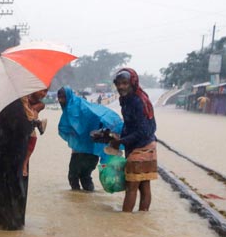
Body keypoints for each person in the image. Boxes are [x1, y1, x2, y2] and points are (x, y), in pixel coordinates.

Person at [0, 96, 37, 230]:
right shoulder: (15, 106)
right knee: (12, 194)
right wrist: (33, 119)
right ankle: (11, 226)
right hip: (11, 158)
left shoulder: (1, 105)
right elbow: (21, 129)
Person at [109, 68, 158, 212]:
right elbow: (130, 124)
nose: (121, 87)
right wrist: (117, 136)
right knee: (143, 184)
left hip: (142, 147)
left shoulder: (138, 101)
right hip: (143, 145)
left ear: (132, 83)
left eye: (125, 83)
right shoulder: (126, 100)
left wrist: (121, 142)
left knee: (131, 187)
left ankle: (125, 221)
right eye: (118, 84)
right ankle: (141, 219)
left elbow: (143, 131)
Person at [57, 86, 123, 191]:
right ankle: (86, 202)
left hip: (82, 151)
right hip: (92, 150)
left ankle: (76, 203)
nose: (60, 100)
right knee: (85, 177)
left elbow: (81, 125)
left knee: (73, 177)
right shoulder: (81, 104)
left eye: (63, 97)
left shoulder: (74, 107)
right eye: (59, 97)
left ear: (68, 96)